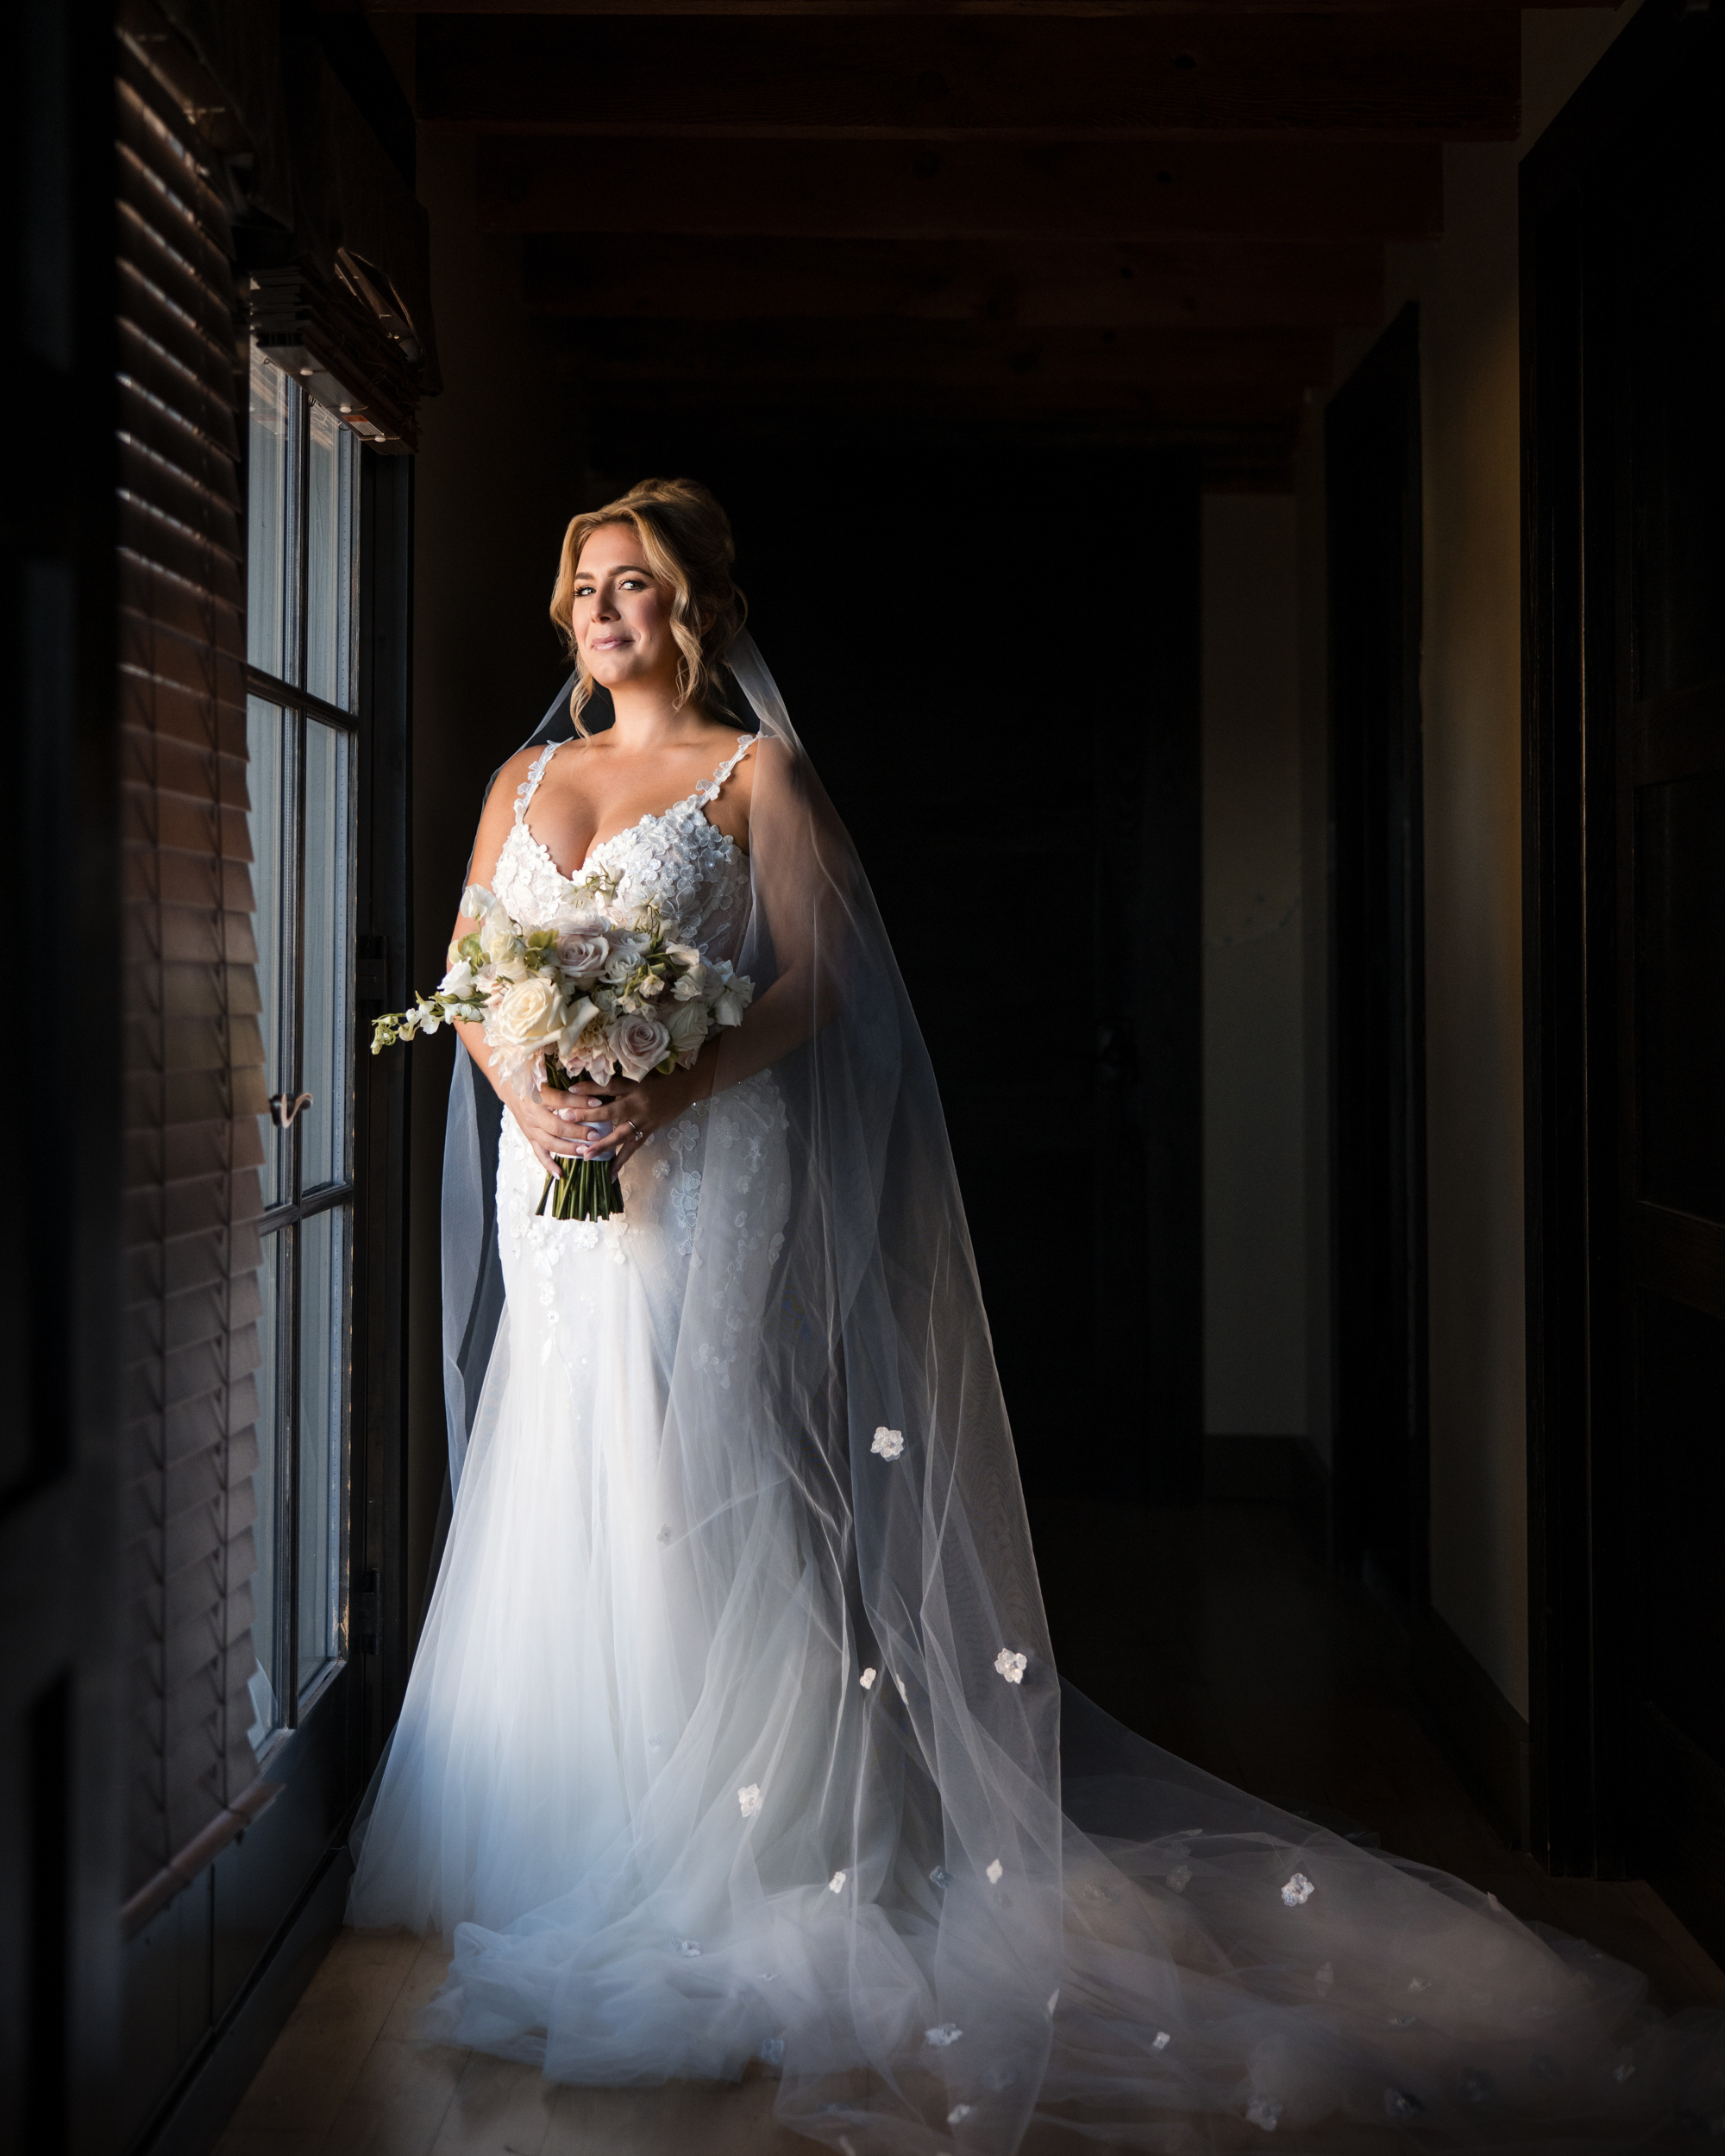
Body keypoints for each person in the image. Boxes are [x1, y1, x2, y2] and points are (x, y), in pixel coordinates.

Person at [349, 479, 1722, 2151]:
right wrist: (540, 1091)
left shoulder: (749, 770)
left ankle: (737, 1832)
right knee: (559, 1448)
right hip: (553, 1170)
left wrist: (668, 1080)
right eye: (583, 586)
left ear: (697, 605)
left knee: (695, 1458)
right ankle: (554, 1818)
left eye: (633, 583)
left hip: (708, 1159)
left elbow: (817, 982)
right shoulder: (521, 777)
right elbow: (477, 973)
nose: (602, 609)